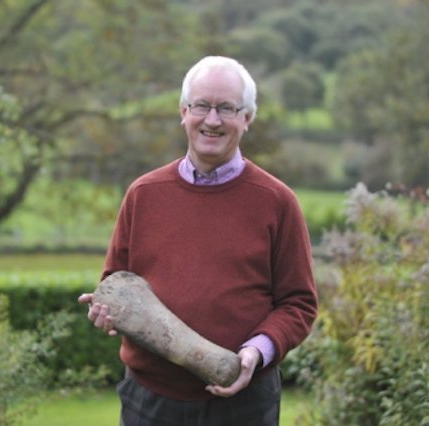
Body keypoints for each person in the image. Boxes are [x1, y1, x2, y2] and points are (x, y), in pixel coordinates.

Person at [78, 55, 318, 426]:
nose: (212, 119)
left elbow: (298, 304)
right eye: (202, 106)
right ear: (183, 111)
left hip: (244, 403)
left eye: (226, 108)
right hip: (151, 400)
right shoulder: (144, 194)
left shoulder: (276, 201)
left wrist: (255, 352)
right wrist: (105, 312)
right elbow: (115, 284)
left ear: (247, 118)